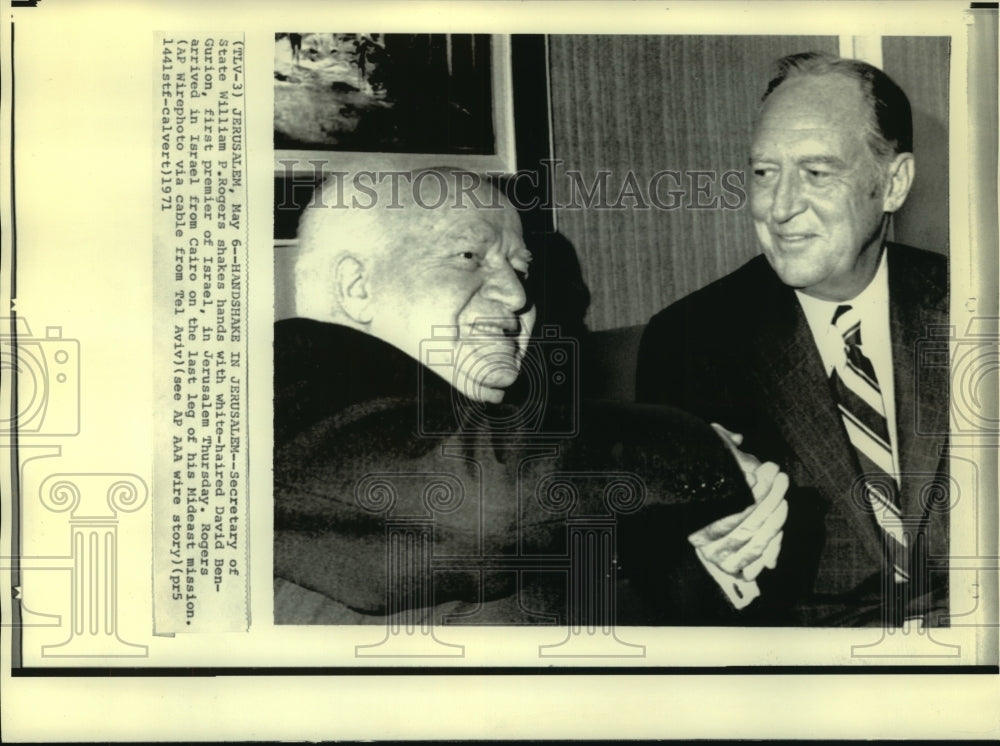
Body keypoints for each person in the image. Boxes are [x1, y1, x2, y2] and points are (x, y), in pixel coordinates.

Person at [274, 169, 789, 625]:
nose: (518, 297)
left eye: (520, 270)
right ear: (357, 286)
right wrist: (703, 447)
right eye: (469, 256)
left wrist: (711, 563)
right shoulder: (278, 376)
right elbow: (479, 513)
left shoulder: (494, 441)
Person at [637, 52, 949, 626]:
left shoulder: (974, 304)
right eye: (763, 173)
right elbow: (665, 571)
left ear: (893, 182)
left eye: (816, 172)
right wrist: (713, 558)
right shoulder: (690, 341)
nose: (779, 208)